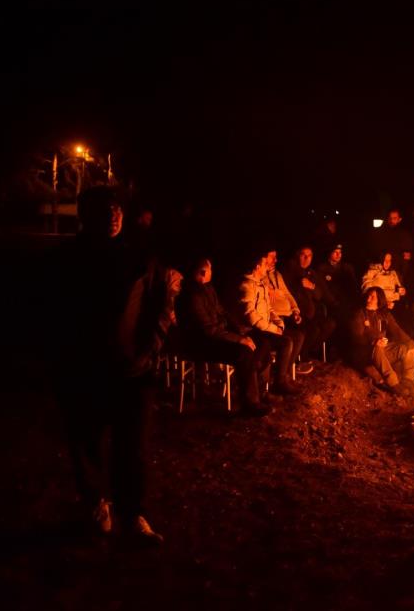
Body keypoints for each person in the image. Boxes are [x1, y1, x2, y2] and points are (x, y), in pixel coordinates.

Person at [50, 186, 172, 544]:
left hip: (133, 371)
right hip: (84, 368)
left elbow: (160, 305)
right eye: (105, 210)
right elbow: (52, 312)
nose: (114, 216)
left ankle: (132, 513)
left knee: (132, 447)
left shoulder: (140, 257)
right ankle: (96, 505)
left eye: (117, 209)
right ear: (86, 217)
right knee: (86, 442)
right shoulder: (66, 261)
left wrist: (149, 349)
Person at [176, 258, 271, 416]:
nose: (213, 272)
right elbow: (209, 330)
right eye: (210, 269)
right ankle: (250, 403)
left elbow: (222, 312)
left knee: (261, 341)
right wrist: (238, 339)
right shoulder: (192, 295)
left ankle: (258, 390)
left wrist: (241, 330)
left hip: (217, 336)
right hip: (202, 344)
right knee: (244, 352)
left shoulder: (208, 288)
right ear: (203, 272)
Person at [237, 251, 301, 395]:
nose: (268, 267)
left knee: (295, 336)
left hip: (265, 327)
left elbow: (269, 309)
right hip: (254, 330)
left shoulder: (260, 284)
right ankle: (279, 382)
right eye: (265, 264)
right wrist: (273, 328)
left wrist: (278, 323)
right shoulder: (247, 286)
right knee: (286, 342)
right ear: (257, 266)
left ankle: (281, 378)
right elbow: (252, 318)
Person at [350, 287, 414, 397]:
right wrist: (374, 342)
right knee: (377, 348)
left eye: (372, 297)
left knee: (403, 349)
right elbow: (356, 337)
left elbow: (396, 330)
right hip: (365, 352)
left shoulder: (384, 314)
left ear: (379, 300)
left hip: (381, 350)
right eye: (368, 295)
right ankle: (394, 384)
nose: (368, 298)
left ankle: (408, 381)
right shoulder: (359, 314)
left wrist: (411, 343)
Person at [264, 249, 313, 375]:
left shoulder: (277, 275)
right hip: (275, 318)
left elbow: (287, 294)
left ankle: (287, 369)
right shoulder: (260, 277)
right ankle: (282, 373)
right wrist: (267, 290)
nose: (276, 260)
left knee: (302, 333)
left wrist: (296, 311)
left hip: (288, 314)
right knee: (293, 338)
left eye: (276, 257)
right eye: (272, 257)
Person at [284, 245, 337, 359]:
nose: (306, 258)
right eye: (303, 255)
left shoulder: (311, 273)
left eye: (309, 256)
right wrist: (298, 285)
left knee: (330, 324)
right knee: (314, 330)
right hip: (297, 313)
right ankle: (302, 355)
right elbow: (286, 293)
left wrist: (311, 286)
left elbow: (319, 295)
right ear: (298, 255)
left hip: (312, 312)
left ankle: (310, 351)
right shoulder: (290, 270)